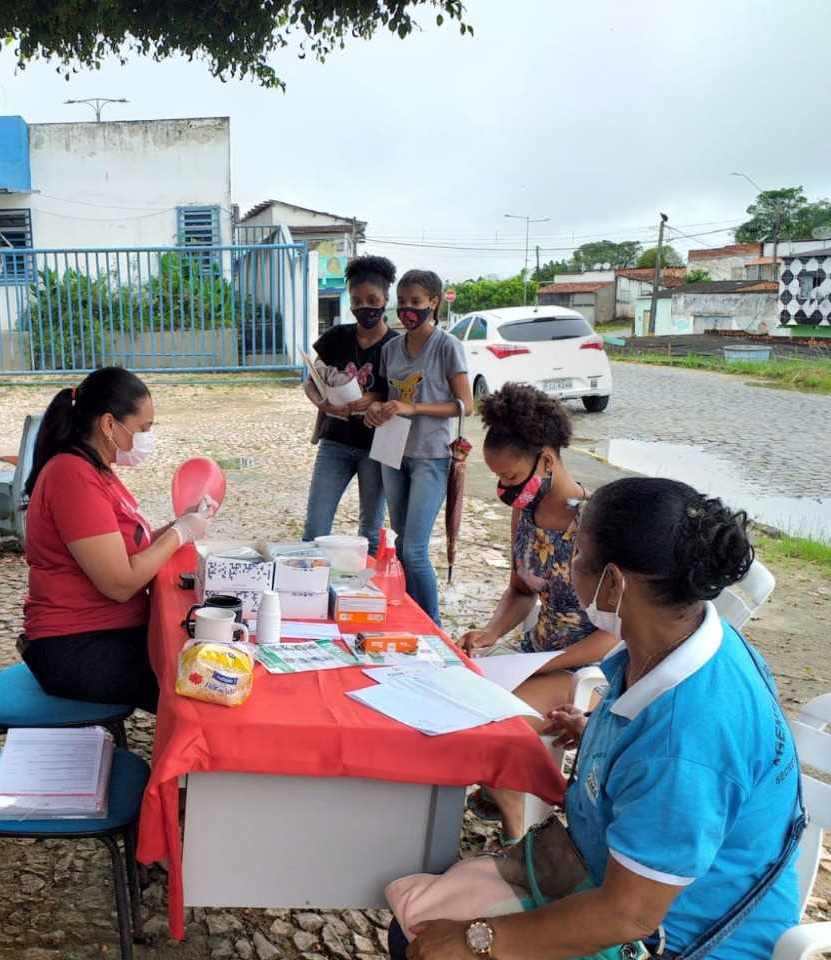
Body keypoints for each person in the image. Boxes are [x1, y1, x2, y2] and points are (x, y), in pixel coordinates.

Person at [383, 478, 801, 960]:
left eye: (577, 553)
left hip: (676, 939)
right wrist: (600, 739)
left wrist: (478, 940)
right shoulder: (686, 636)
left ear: (614, 582)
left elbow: (629, 914)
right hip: (610, 879)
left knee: (425, 941)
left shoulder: (686, 737)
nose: (568, 565)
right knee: (416, 923)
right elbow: (663, 777)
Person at [458, 384, 615, 844]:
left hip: (590, 665)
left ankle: (519, 832)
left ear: (547, 461)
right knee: (454, 690)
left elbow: (612, 635)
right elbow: (520, 590)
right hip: (534, 655)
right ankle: (499, 793)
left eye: (510, 479)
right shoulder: (525, 514)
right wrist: (490, 633)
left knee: (498, 724)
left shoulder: (595, 527)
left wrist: (540, 663)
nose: (504, 491)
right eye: (499, 481)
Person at [20, 366, 216, 713]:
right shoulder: (72, 476)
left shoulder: (97, 468)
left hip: (107, 630)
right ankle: (189, 763)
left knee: (209, 648)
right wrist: (180, 533)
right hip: (75, 646)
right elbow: (120, 583)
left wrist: (181, 522)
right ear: (109, 424)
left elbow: (127, 547)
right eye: (143, 428)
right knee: (202, 682)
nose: (146, 437)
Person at [367, 269, 473, 624]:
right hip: (393, 452)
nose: (408, 310)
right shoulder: (392, 348)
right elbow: (388, 397)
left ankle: (433, 626)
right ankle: (410, 619)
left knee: (414, 550)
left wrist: (416, 408)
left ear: (434, 303)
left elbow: (466, 405)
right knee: (397, 545)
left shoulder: (447, 347)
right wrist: (375, 411)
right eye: (403, 303)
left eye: (416, 302)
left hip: (432, 456)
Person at [301, 255, 400, 556]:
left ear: (385, 299)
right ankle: (307, 584)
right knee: (315, 527)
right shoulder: (336, 338)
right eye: (357, 301)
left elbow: (405, 396)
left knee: (370, 530)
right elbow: (312, 379)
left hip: (376, 447)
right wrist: (323, 403)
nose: (364, 308)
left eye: (372, 299)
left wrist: (375, 399)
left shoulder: (397, 346)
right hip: (335, 442)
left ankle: (364, 593)